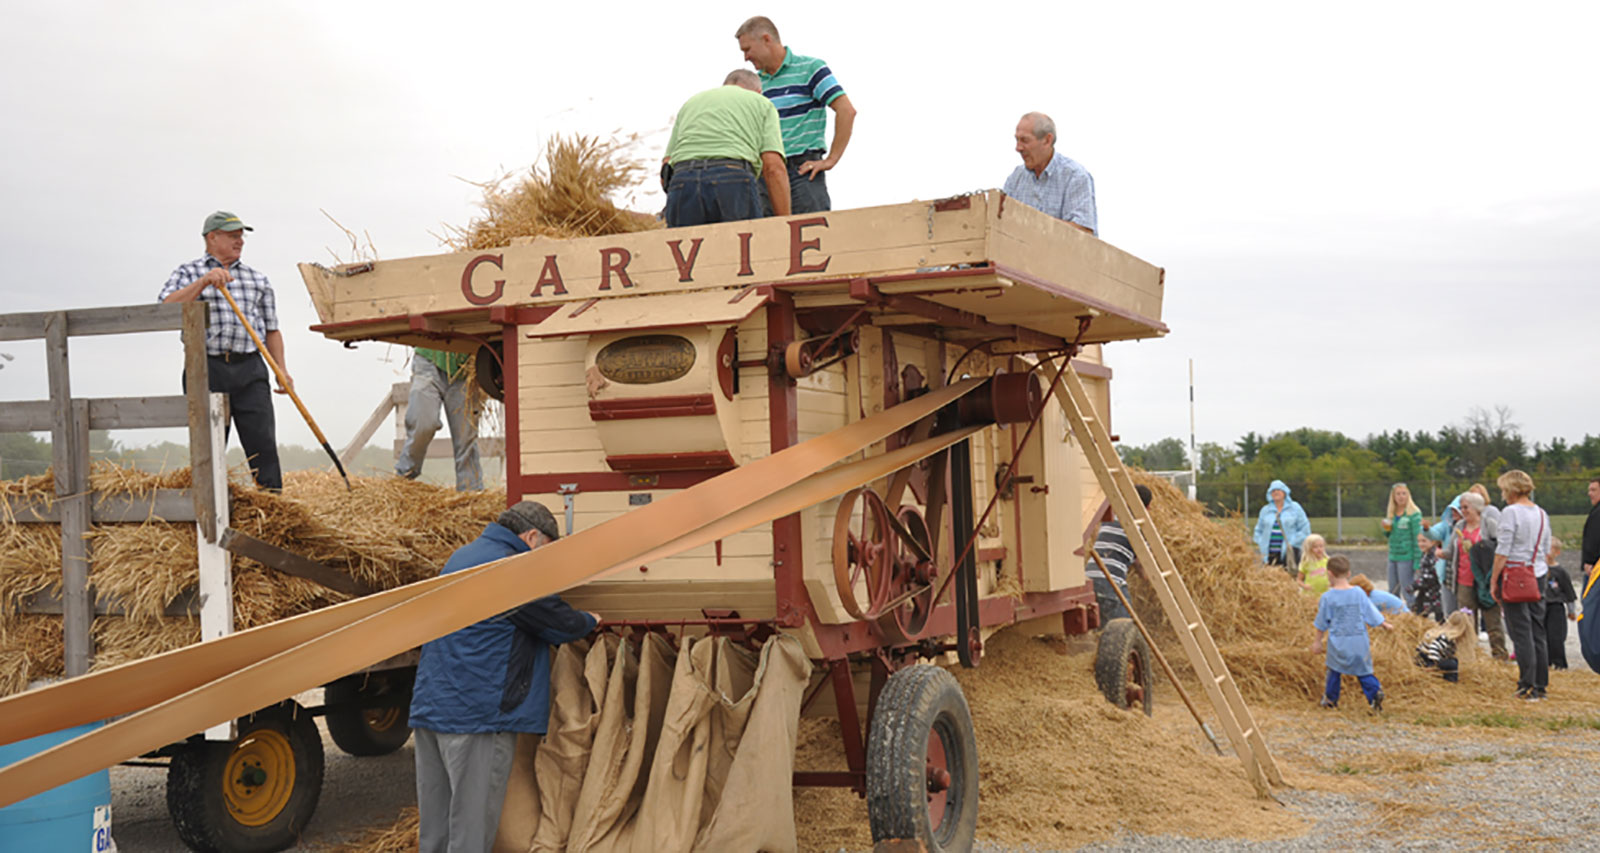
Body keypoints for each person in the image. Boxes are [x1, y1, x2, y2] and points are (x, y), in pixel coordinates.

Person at [408, 501, 599, 852]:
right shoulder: (513, 571)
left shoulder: (462, 557)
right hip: (477, 717)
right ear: (531, 537)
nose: (547, 565)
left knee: (435, 834)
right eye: (547, 552)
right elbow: (558, 624)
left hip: (431, 712)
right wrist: (591, 620)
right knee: (471, 834)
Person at [159, 211, 286, 491]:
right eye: (232, 236)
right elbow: (166, 307)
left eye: (241, 236)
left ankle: (273, 504)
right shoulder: (188, 272)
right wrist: (203, 282)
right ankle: (209, 505)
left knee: (262, 441)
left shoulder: (258, 280)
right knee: (209, 444)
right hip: (207, 367)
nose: (239, 241)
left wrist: (282, 370)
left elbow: (271, 330)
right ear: (211, 237)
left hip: (250, 367)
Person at [735, 16, 856, 215]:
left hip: (802, 171)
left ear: (766, 39)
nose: (745, 57)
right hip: (765, 174)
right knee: (767, 241)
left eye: (747, 49)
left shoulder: (810, 69)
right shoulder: (754, 85)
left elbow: (846, 110)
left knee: (812, 237)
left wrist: (831, 160)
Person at [664, 70, 790, 227]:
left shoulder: (691, 103)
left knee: (688, 250)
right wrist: (784, 225)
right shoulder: (761, 103)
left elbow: (666, 164)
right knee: (741, 249)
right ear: (758, 91)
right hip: (733, 179)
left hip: (683, 180)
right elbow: (773, 168)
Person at [1490, 469, 1551, 701]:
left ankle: (1527, 684)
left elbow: (1503, 549)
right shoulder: (1542, 513)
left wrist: (1494, 579)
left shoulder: (1510, 512)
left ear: (1512, 490)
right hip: (1538, 573)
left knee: (1520, 631)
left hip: (1515, 575)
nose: (1503, 494)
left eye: (1504, 489)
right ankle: (1541, 684)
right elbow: (1545, 546)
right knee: (1537, 630)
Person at [1311, 555, 1393, 710]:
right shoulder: (1359, 592)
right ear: (1349, 573)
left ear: (1330, 574)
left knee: (1334, 670)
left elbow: (1322, 622)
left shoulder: (1328, 597)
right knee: (1363, 671)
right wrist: (1384, 624)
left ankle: (1330, 700)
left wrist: (1317, 642)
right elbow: (1370, 612)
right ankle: (1375, 693)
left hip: (1339, 642)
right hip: (1359, 641)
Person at [396, 348, 482, 492]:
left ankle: (470, 492)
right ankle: (404, 477)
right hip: (429, 358)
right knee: (422, 423)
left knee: (465, 436)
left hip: (464, 367)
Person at [1002, 112, 1098, 235]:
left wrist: (1032, 224)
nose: (1018, 148)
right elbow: (1000, 223)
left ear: (1047, 140)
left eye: (1024, 140)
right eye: (1017, 140)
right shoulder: (1015, 178)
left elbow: (1084, 233)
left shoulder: (1075, 177)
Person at [1441, 492, 1508, 660]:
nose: (1463, 511)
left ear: (1477, 508)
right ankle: (1471, 657)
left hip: (1485, 581)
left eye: (1466, 507)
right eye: (1462, 507)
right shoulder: (1460, 527)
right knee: (1468, 622)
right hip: (1464, 580)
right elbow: (1450, 552)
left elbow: (1501, 547)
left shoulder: (1489, 524)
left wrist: (1482, 550)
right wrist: (1439, 553)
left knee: (1492, 620)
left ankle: (1500, 657)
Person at [1088, 484, 1153, 622]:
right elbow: (1142, 568)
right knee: (1125, 628)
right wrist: (1149, 579)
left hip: (1088, 580)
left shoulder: (1110, 519)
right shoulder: (1140, 531)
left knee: (1101, 629)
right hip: (1110, 582)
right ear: (1147, 508)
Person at [1380, 482, 1425, 608]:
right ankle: (1395, 615)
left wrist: (1417, 562)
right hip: (1393, 555)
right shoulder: (1391, 514)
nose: (1401, 497)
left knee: (1407, 590)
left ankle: (1413, 613)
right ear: (1393, 497)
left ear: (1408, 495)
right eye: (1398, 494)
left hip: (1407, 557)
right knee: (1393, 590)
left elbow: (1418, 539)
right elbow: (1389, 535)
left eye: (1404, 494)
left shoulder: (1414, 514)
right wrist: (1385, 529)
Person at [1253, 479, 1310, 574]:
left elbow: (1305, 529)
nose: (1276, 492)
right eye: (1273, 490)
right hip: (1269, 554)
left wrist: (1292, 543)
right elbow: (1258, 530)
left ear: (1285, 492)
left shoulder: (1295, 508)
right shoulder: (1265, 510)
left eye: (1278, 490)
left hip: (1289, 553)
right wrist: (1262, 543)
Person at [1542, 537, 1578, 670]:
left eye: (1550, 548)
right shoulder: (1539, 570)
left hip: (1555, 606)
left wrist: (1571, 610)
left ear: (1557, 552)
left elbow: (1569, 592)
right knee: (1542, 635)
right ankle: (1545, 662)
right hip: (1541, 605)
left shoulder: (1560, 572)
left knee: (1556, 636)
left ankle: (1559, 663)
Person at [1415, 610, 1475, 683]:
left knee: (1452, 660)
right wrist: (1434, 664)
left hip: (1422, 656)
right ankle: (1450, 682)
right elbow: (1434, 647)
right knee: (1452, 663)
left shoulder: (1443, 634)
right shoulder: (1446, 637)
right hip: (1426, 660)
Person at [1408, 537, 1444, 622]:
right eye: (1419, 541)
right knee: (1418, 612)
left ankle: (1441, 633)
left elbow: (1430, 577)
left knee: (1439, 616)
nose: (1420, 544)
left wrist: (1414, 586)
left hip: (1435, 592)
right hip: (1425, 591)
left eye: (1424, 541)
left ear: (1433, 542)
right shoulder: (1425, 554)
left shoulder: (1434, 556)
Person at [1582, 476, 1600, 580]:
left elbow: (1594, 538)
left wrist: (1589, 561)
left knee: (1590, 596)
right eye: (1589, 490)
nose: (1589, 493)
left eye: (1593, 490)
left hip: (1595, 568)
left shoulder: (1598, 513)